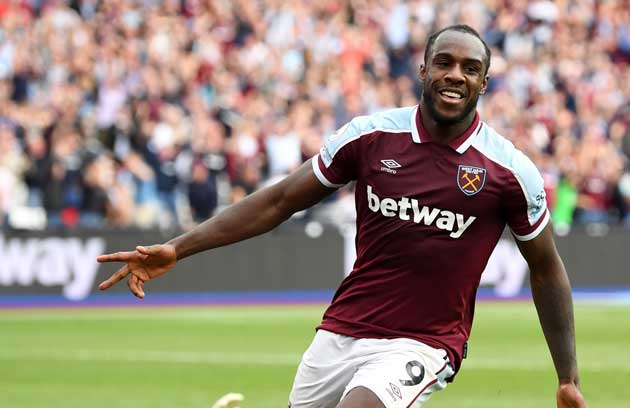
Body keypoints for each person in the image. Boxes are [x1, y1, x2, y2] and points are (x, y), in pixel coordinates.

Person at [97, 24, 587, 408]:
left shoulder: (507, 171)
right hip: (342, 330)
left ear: (484, 81)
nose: (455, 74)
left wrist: (567, 379)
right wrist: (180, 247)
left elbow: (546, 268)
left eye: (469, 67)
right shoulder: (370, 137)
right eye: (444, 62)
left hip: (424, 344)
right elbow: (279, 200)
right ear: (422, 71)